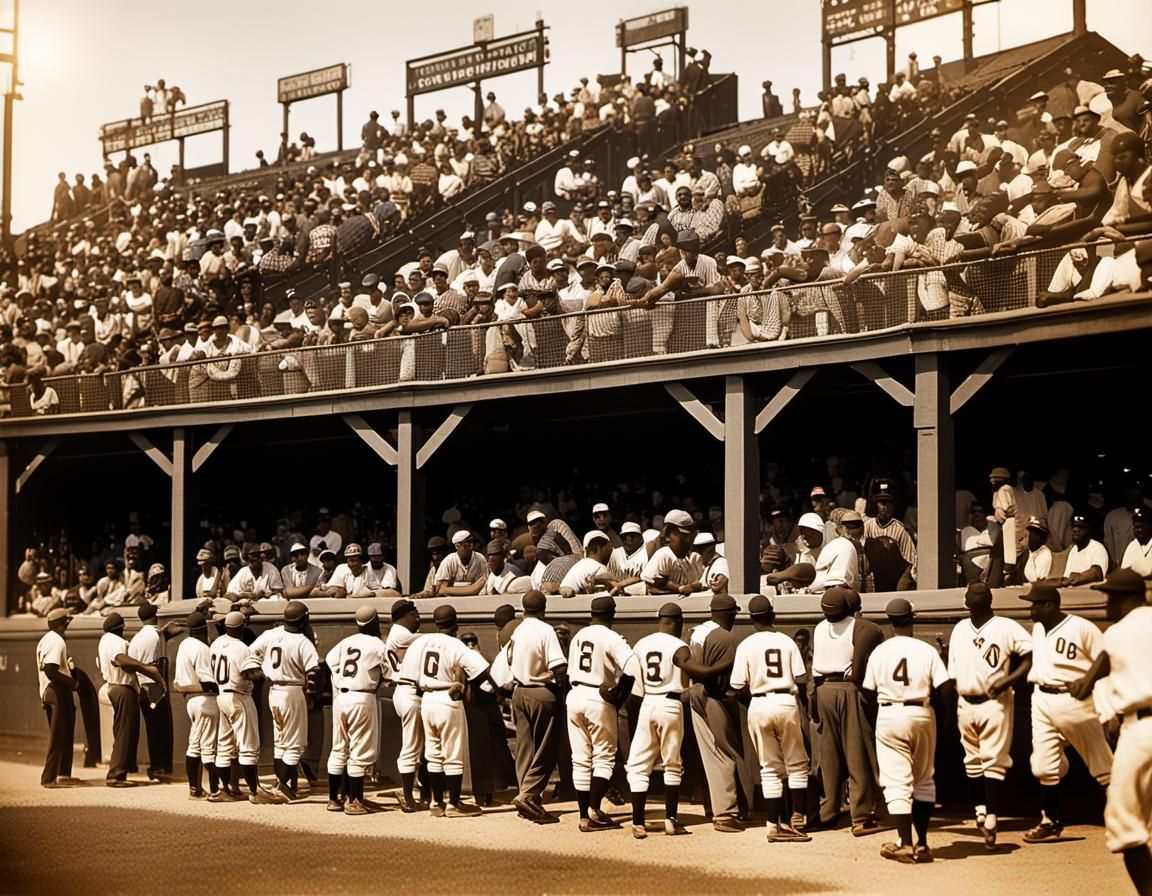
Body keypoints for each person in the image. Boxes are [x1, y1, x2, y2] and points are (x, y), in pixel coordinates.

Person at [1075, 569, 1152, 894]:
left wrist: (1082, 685)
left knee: (1124, 823)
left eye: (1110, 598)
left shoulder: (1116, 633)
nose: (1106, 605)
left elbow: (1088, 684)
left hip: (1141, 729)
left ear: (1126, 599)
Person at [1020, 583, 1113, 842]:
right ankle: (1050, 820)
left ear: (1050, 605)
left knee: (1102, 765)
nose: (1031, 609)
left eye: (1036, 604)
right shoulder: (1038, 629)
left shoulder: (1081, 628)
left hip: (1074, 700)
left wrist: (1104, 705)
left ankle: (1128, 815)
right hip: (1041, 698)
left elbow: (1105, 662)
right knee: (1042, 765)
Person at [862, 598, 952, 864]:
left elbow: (866, 693)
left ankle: (905, 843)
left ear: (890, 621)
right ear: (912, 618)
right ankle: (922, 844)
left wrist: (876, 717)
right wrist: (946, 720)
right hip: (922, 711)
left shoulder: (880, 651)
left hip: (890, 712)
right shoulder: (926, 650)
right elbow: (946, 688)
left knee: (896, 782)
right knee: (924, 779)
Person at [946, 582, 1033, 849]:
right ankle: (981, 811)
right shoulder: (960, 629)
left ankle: (992, 815)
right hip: (966, 700)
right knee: (972, 759)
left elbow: (1031, 654)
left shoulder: (1005, 626)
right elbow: (952, 675)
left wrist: (1010, 680)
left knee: (993, 759)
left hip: (994, 701)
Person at [729, 594, 811, 842]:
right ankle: (797, 816)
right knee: (797, 764)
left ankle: (772, 825)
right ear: (772, 615)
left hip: (759, 702)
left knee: (769, 768)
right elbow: (801, 678)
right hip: (785, 700)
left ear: (752, 619)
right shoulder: (786, 641)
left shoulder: (746, 644)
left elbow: (736, 683)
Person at [400, 605, 491, 817]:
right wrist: (496, 689)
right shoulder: (456, 644)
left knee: (433, 754)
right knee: (453, 754)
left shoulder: (420, 641)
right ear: (455, 623)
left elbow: (408, 675)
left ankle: (436, 802)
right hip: (448, 697)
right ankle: (454, 805)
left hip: (427, 699)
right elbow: (482, 670)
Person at [810, 586, 886, 834]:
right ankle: (861, 816)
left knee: (828, 754)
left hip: (822, 689)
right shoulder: (859, 626)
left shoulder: (820, 627)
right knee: (857, 752)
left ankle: (828, 811)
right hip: (848, 688)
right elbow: (860, 667)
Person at [490, 589, 568, 824]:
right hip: (542, 692)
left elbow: (498, 672)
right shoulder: (545, 630)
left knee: (525, 748)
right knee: (546, 748)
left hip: (518, 692)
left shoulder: (517, 630)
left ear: (524, 609)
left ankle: (528, 798)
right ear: (544, 609)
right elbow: (559, 668)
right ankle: (529, 795)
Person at [564, 595, 637, 832]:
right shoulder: (610, 636)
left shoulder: (578, 636)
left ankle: (585, 814)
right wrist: (621, 693)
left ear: (591, 614)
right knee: (604, 757)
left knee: (580, 759)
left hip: (574, 695)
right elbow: (632, 665)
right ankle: (594, 812)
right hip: (599, 696)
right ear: (612, 615)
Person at [685, 593, 754, 833]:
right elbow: (730, 681)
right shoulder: (727, 638)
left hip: (694, 692)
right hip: (714, 696)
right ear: (729, 613)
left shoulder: (696, 632)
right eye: (734, 612)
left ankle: (713, 807)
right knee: (724, 754)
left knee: (708, 753)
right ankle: (726, 814)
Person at [625, 603, 693, 839]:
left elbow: (635, 688)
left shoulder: (642, 643)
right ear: (679, 622)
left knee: (638, 764)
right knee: (672, 763)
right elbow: (687, 684)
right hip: (672, 704)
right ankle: (671, 819)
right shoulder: (680, 645)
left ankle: (637, 822)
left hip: (648, 703)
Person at [247, 601, 320, 801]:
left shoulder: (272, 634)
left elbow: (250, 653)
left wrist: (259, 671)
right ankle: (280, 788)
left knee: (281, 742)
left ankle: (283, 786)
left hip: (273, 691)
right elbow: (313, 671)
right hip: (292, 691)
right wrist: (312, 695)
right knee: (295, 745)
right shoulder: (302, 641)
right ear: (303, 619)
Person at [210, 611, 285, 804]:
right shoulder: (241, 648)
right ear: (241, 627)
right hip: (238, 697)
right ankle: (254, 791)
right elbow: (252, 674)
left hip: (222, 696)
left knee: (225, 747)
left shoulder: (216, 643)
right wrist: (265, 668)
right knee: (248, 747)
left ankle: (224, 790)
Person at [326, 605, 389, 816]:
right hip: (362, 697)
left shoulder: (347, 641)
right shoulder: (377, 644)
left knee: (339, 748)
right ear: (375, 622)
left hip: (342, 697)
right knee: (359, 751)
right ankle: (355, 801)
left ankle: (334, 799)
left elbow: (329, 660)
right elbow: (390, 671)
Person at [98, 612, 164, 787]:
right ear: (121, 628)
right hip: (122, 688)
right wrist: (148, 670)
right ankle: (116, 775)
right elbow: (121, 660)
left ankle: (122, 771)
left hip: (114, 687)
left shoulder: (105, 639)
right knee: (125, 733)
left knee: (124, 731)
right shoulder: (117, 641)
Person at [173, 610, 220, 799]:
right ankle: (216, 791)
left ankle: (195, 788)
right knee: (208, 747)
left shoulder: (184, 644)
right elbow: (208, 680)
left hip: (190, 699)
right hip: (205, 698)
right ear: (203, 629)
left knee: (194, 745)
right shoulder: (201, 648)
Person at [384, 599, 426, 811]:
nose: (417, 618)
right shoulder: (401, 633)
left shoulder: (400, 634)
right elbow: (433, 639)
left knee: (419, 745)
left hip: (407, 691)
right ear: (403, 616)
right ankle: (408, 796)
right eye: (414, 614)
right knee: (411, 745)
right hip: (408, 691)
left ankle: (418, 791)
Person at [128, 603, 173, 781]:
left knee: (151, 729)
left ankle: (155, 767)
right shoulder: (156, 635)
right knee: (161, 729)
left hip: (142, 686)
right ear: (154, 616)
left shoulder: (136, 638)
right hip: (156, 685)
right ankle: (160, 767)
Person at [36, 608, 79, 788]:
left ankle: (63, 773)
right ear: (63, 623)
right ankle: (48, 778)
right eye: (66, 622)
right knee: (58, 734)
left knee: (65, 728)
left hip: (48, 690)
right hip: (56, 689)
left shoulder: (45, 639)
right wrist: (72, 682)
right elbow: (50, 669)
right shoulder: (57, 641)